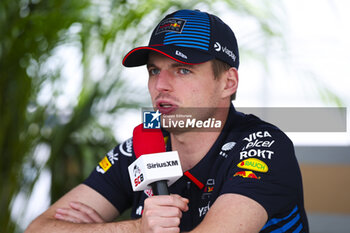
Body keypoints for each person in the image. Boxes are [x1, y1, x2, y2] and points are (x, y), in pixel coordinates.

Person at [25, 9, 309, 233]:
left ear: (227, 82)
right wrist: (136, 228)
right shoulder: (143, 143)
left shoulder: (264, 145)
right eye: (153, 70)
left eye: (182, 70)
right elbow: (39, 229)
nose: (160, 84)